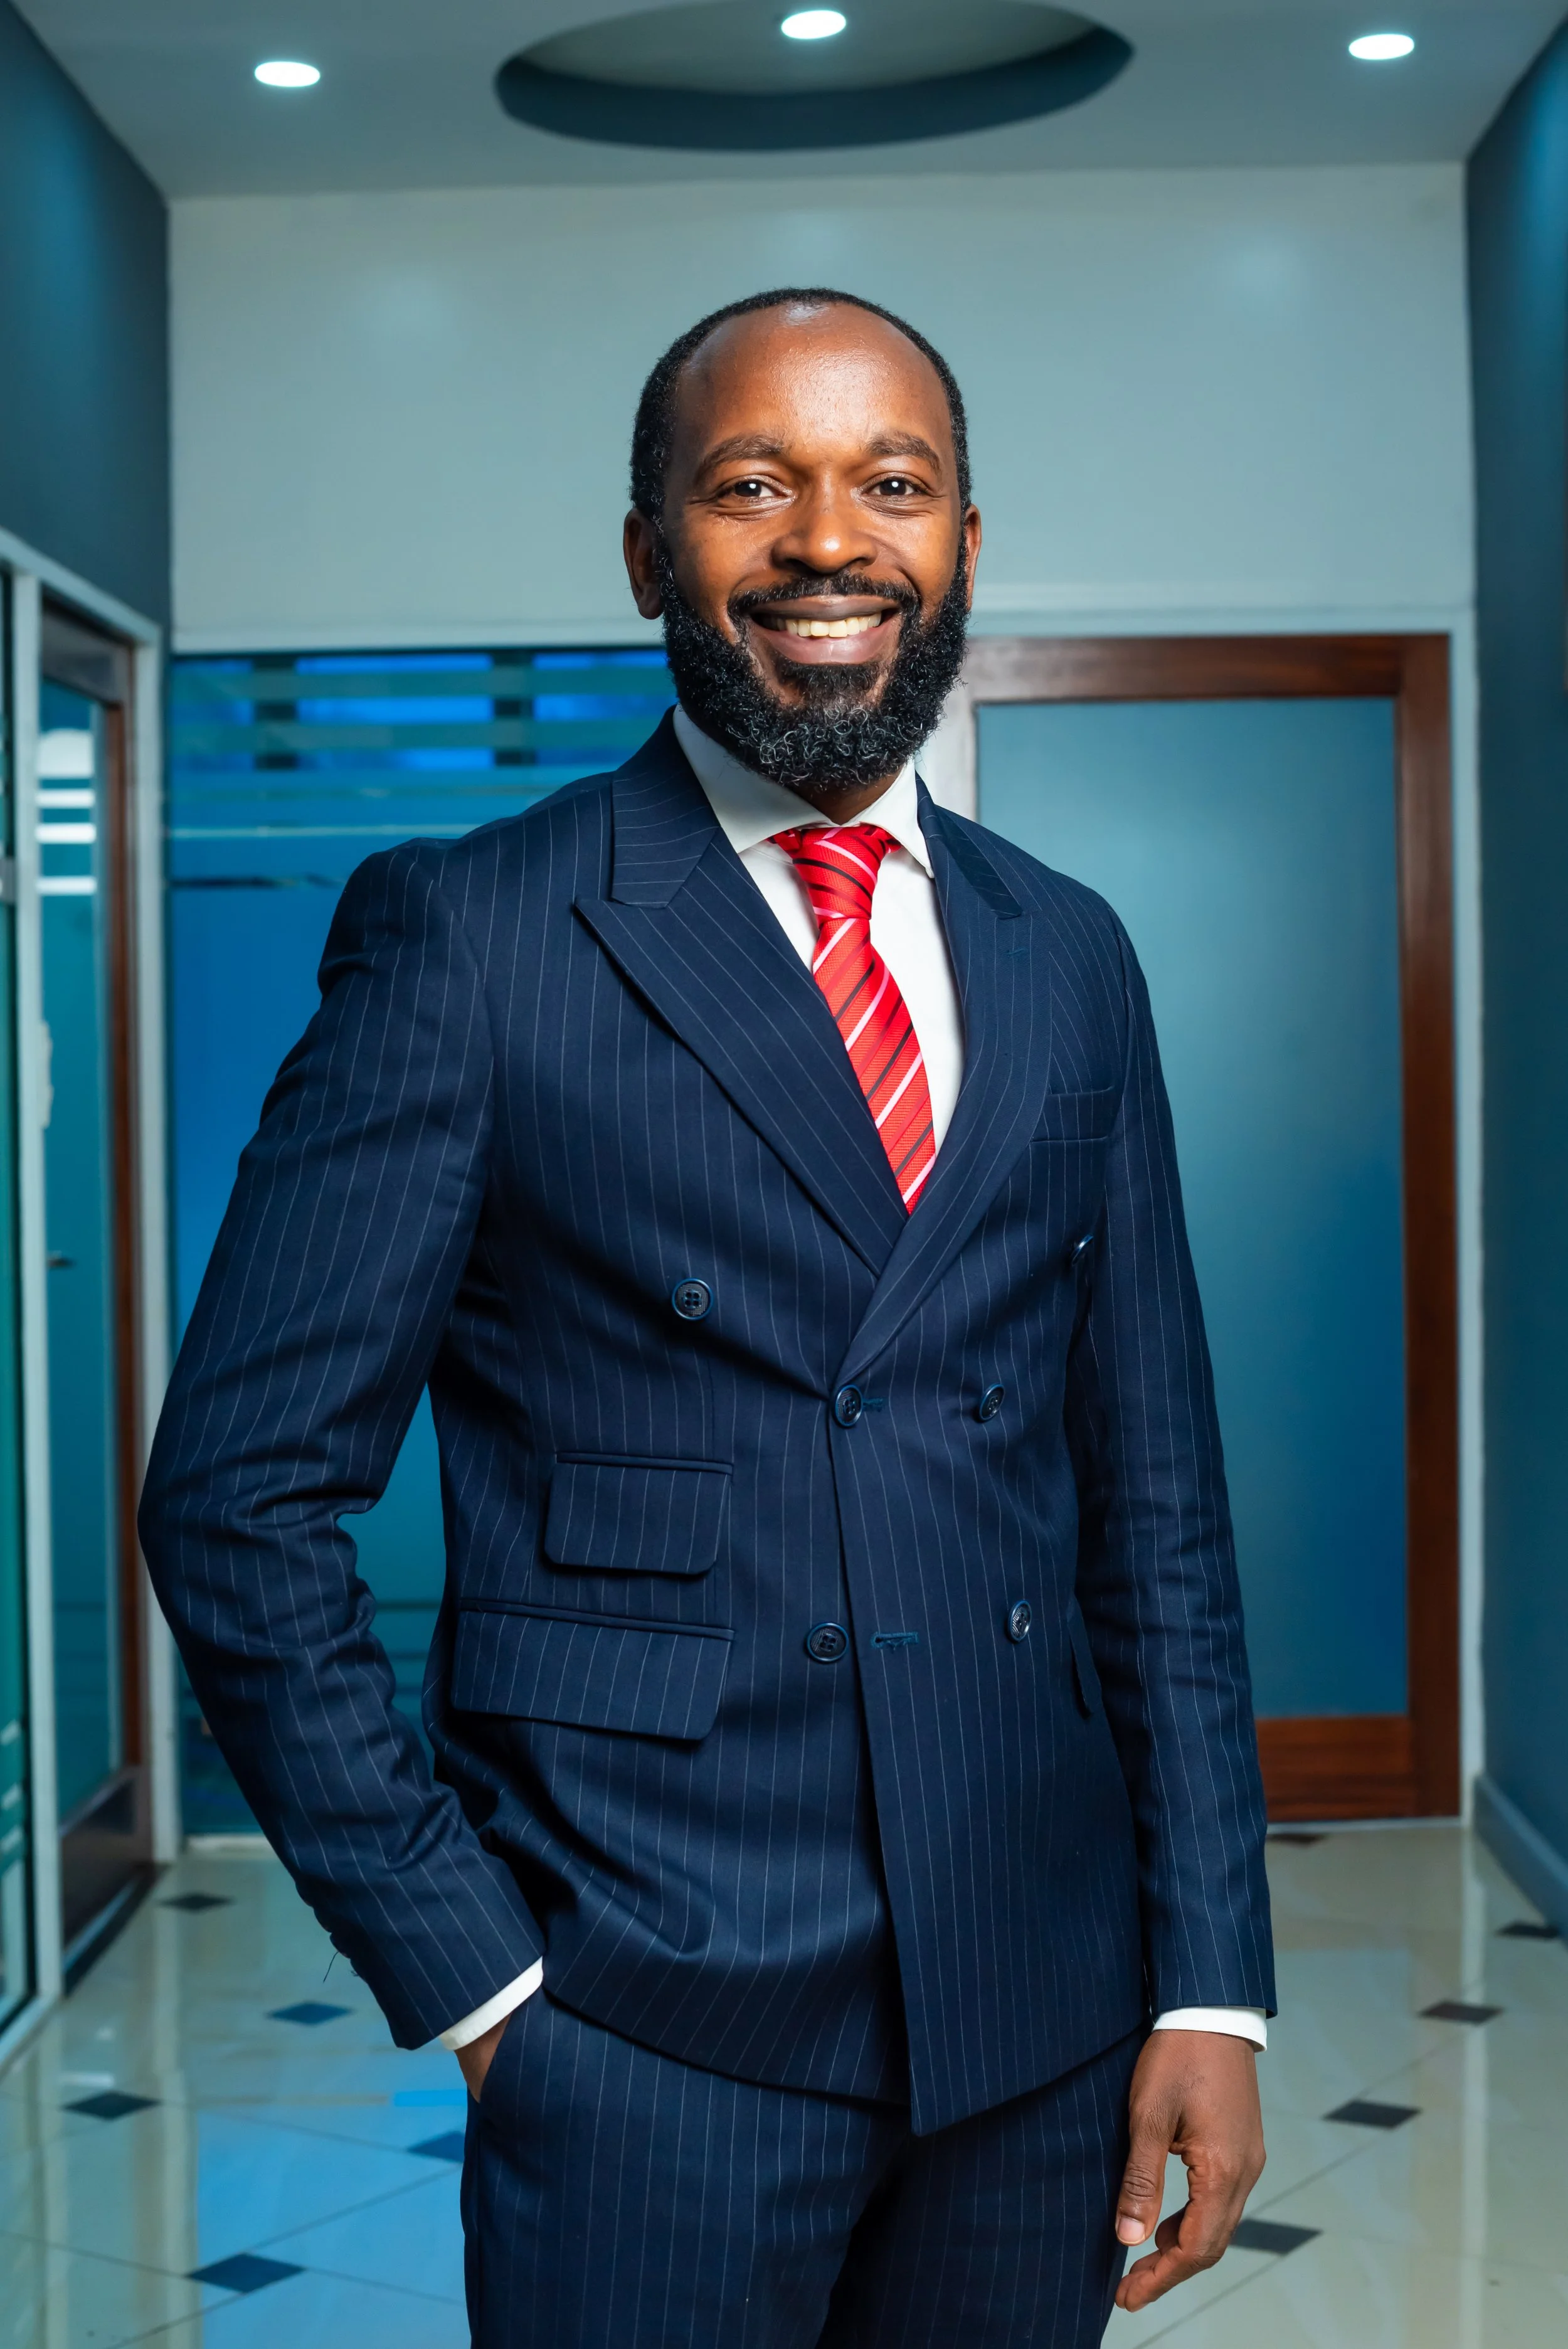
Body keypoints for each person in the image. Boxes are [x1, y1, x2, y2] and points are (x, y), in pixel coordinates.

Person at [140, 287, 1274, 2347]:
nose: (828, 539)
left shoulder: (1065, 953)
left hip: (1035, 2015)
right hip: (645, 2017)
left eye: (891, 486)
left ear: (963, 547)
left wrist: (1205, 1976)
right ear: (652, 550)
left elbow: (1156, 1501)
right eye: (752, 485)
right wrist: (478, 1985)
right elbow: (237, 1497)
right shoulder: (474, 933)